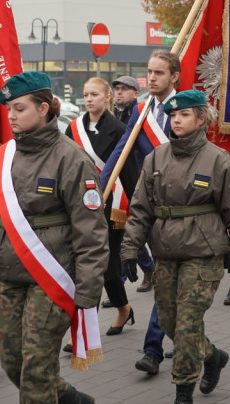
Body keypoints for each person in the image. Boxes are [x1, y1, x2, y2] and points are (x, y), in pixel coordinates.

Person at [0, 72, 109, 404]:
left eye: (19, 108)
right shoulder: (4, 157)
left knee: (36, 364)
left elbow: (91, 231)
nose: (11, 116)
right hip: (9, 273)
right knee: (12, 362)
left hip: (53, 275)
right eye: (9, 110)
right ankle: (73, 401)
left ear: (43, 108)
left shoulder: (71, 158)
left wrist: (88, 290)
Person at [119, 90, 230, 404]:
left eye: (184, 115)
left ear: (201, 119)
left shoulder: (219, 160)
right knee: (169, 322)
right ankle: (213, 356)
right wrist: (129, 249)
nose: (177, 120)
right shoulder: (155, 158)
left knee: (186, 326)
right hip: (167, 253)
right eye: (173, 115)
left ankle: (183, 397)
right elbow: (140, 210)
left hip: (204, 254)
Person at [102, 50, 180, 377]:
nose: (152, 78)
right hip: (151, 205)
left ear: (174, 76)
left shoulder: (187, 107)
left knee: (169, 281)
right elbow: (123, 149)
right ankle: (168, 344)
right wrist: (100, 186)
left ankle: (155, 347)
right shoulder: (142, 108)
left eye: (159, 73)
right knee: (167, 280)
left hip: (182, 208)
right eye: (149, 72)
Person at [65, 77, 138, 334]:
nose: (89, 99)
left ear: (107, 97)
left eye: (94, 94)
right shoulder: (73, 129)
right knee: (88, 268)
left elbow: (129, 174)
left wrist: (138, 215)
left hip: (111, 208)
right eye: (86, 94)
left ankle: (85, 330)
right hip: (80, 207)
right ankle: (123, 308)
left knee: (103, 270)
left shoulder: (119, 130)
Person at [111, 75, 155, 291]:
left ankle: (141, 272)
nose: (119, 92)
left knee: (134, 229)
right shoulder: (114, 115)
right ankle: (146, 269)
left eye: (125, 89)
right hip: (118, 181)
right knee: (126, 231)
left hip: (136, 178)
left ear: (136, 93)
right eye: (117, 88)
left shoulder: (140, 114)